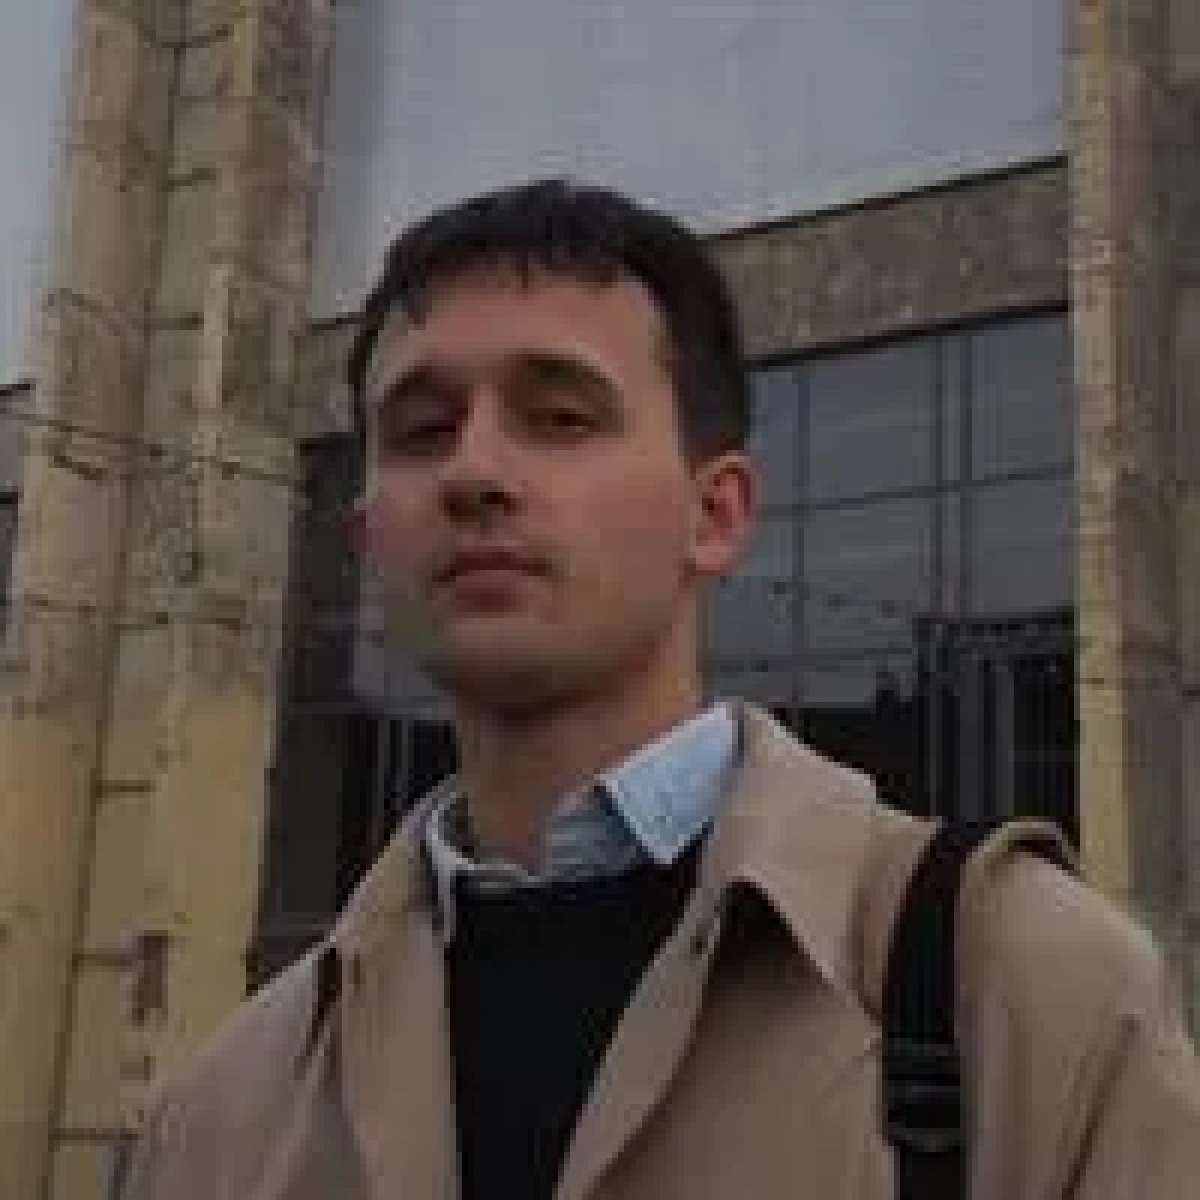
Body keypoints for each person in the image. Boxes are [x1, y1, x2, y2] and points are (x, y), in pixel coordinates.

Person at [120, 179, 1200, 1200]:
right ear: (367, 538)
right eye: (422, 431)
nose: (474, 471)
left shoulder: (1025, 997)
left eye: (560, 417)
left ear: (716, 514)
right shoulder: (221, 1121)